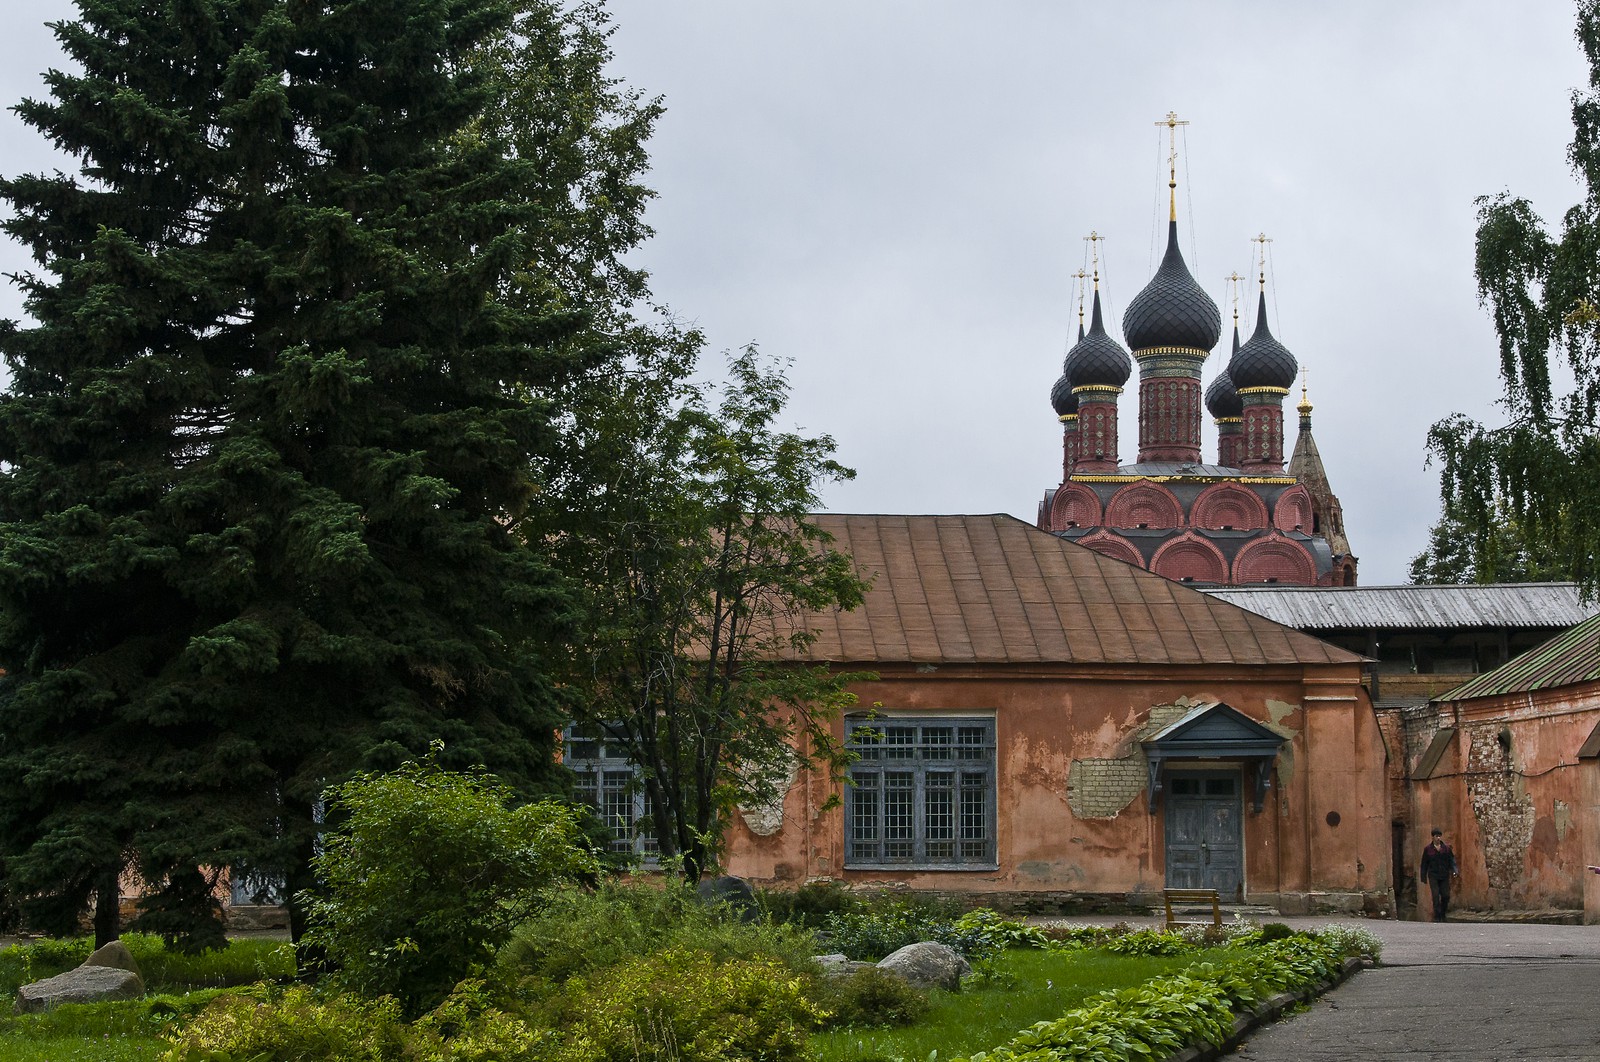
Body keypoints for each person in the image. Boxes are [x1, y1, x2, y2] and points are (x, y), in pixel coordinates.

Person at [1420, 827, 1458, 921]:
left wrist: (1454, 870)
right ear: (1433, 837)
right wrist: (1423, 876)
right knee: (1435, 895)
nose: (1438, 838)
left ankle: (1443, 913)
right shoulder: (1428, 849)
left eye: (1440, 836)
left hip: (1444, 875)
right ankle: (1437, 916)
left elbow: (1452, 861)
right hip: (1433, 875)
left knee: (1445, 895)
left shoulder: (1446, 849)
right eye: (1437, 836)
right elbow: (1424, 863)